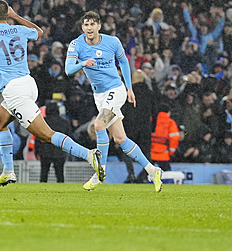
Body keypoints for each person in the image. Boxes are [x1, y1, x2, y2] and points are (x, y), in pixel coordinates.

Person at [0, 0, 103, 187]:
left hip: (14, 91)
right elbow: (39, 32)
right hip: (28, 83)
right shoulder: (18, 29)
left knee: (46, 135)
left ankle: (89, 156)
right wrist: (16, 17)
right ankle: (8, 171)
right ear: (6, 14)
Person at [65, 11, 163, 192]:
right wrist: (83, 63)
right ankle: (152, 170)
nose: (89, 28)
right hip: (99, 95)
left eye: (92, 24)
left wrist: (129, 88)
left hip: (115, 91)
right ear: (82, 27)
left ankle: (100, 171)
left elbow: (124, 62)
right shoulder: (76, 44)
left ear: (99, 26)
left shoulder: (113, 42)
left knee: (99, 124)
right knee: (120, 138)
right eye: (86, 25)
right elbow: (69, 70)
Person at [150, 104, 180, 171]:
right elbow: (174, 138)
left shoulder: (151, 120)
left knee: (146, 172)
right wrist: (171, 151)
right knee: (167, 173)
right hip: (163, 153)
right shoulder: (170, 123)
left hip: (151, 152)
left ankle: (138, 180)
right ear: (168, 112)